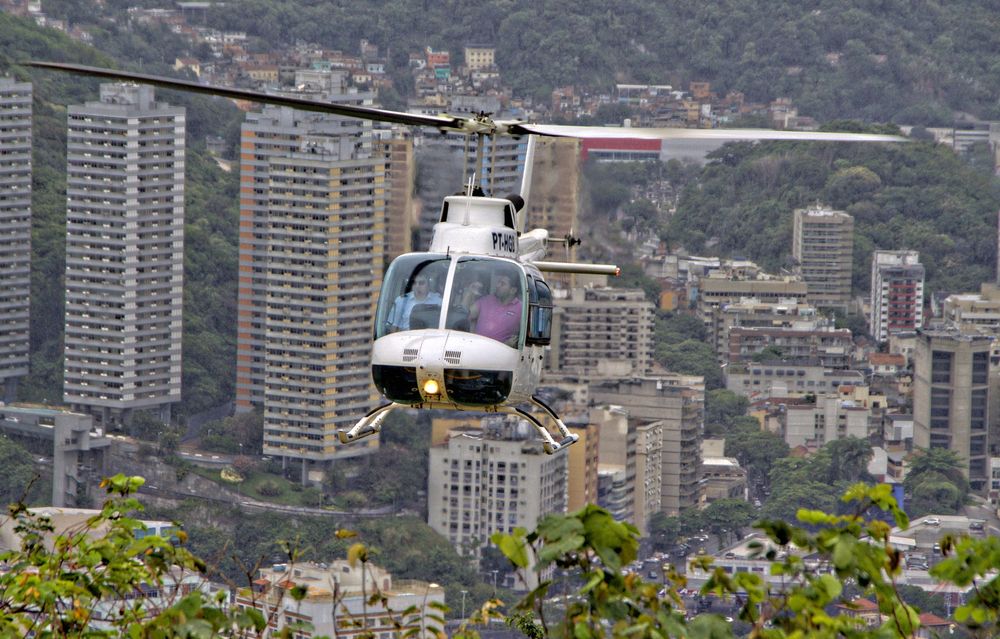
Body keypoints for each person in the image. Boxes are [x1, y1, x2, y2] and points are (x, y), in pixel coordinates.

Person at [469, 273, 522, 346]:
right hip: (475, 348)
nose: (497, 286)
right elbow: (468, 313)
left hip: (501, 353)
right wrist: (470, 292)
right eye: (498, 282)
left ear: (513, 290)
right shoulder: (488, 299)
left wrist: (508, 345)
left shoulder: (520, 308)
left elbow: (522, 336)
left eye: (502, 284)